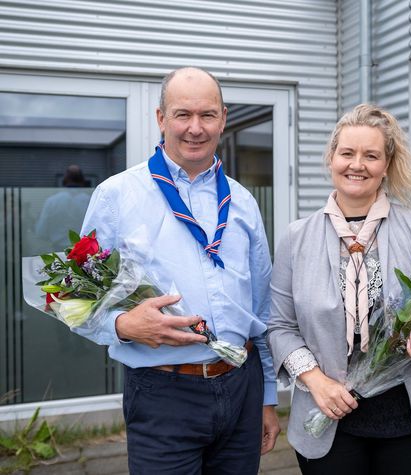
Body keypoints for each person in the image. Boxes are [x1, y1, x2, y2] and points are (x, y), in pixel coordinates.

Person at [76, 67, 280, 474]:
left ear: (224, 118)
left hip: (242, 387)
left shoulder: (242, 202)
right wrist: (122, 326)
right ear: (161, 118)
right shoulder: (117, 195)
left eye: (207, 115)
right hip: (162, 394)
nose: (195, 128)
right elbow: (76, 296)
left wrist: (268, 396)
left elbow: (263, 306)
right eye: (182, 114)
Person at [267, 104, 411, 474]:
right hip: (328, 416)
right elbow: (280, 327)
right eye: (347, 153)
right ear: (331, 158)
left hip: (410, 422)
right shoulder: (296, 238)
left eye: (371, 155)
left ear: (385, 165)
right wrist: (315, 381)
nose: (357, 164)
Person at [35, 165, 91, 251]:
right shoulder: (90, 201)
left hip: (58, 251)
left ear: (64, 180)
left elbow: (41, 231)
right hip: (84, 253)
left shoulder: (52, 201)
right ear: (82, 181)